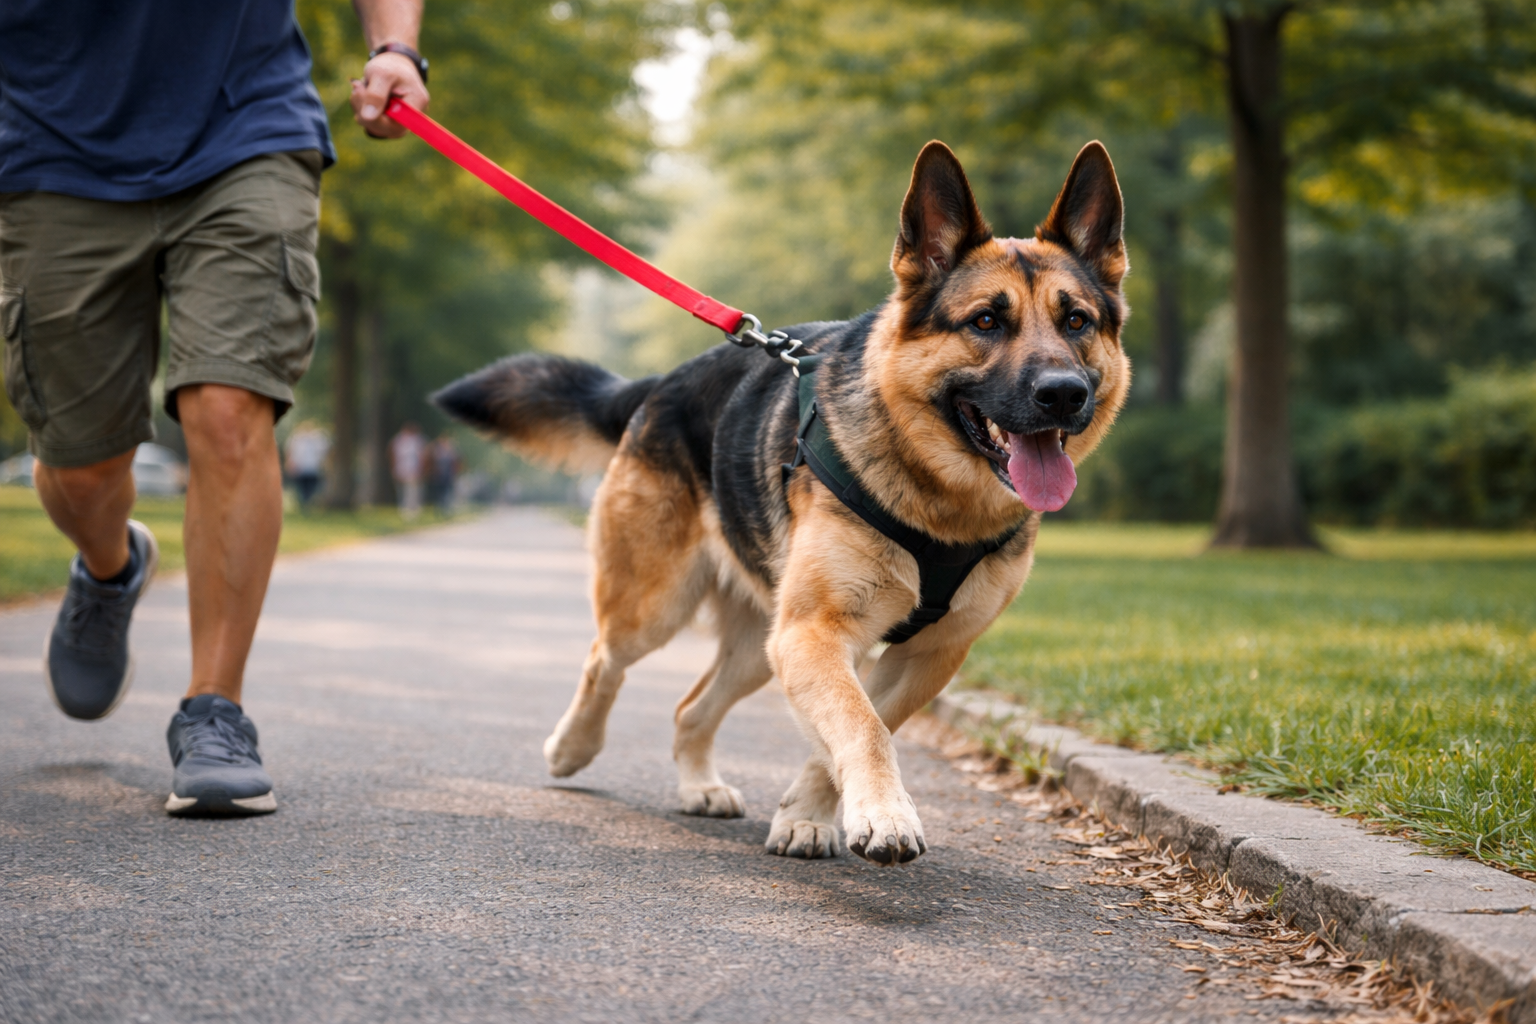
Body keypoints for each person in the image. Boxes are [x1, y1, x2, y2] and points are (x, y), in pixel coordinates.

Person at [0, 0, 429, 816]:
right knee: (80, 468)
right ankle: (110, 568)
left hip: (247, 128)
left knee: (229, 409)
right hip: (55, 150)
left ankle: (215, 713)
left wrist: (397, 49)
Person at [283, 420, 331, 511]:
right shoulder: (296, 439)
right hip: (300, 468)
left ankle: (307, 504)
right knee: (302, 488)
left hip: (313, 468)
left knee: (311, 488)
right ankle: (304, 505)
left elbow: (324, 453)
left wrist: (325, 464)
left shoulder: (318, 439)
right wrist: (290, 464)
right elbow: (290, 452)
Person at [389, 422, 428, 521]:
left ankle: (411, 510)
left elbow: (422, 456)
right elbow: (393, 455)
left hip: (412, 469)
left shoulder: (416, 440)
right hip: (403, 469)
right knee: (403, 490)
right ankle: (405, 510)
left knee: (412, 491)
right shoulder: (399, 440)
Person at [426, 431, 461, 514]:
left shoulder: (451, 450)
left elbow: (456, 461)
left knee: (447, 491)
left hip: (448, 475)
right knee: (438, 492)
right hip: (438, 475)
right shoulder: (435, 450)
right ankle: (439, 508)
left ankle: (446, 508)